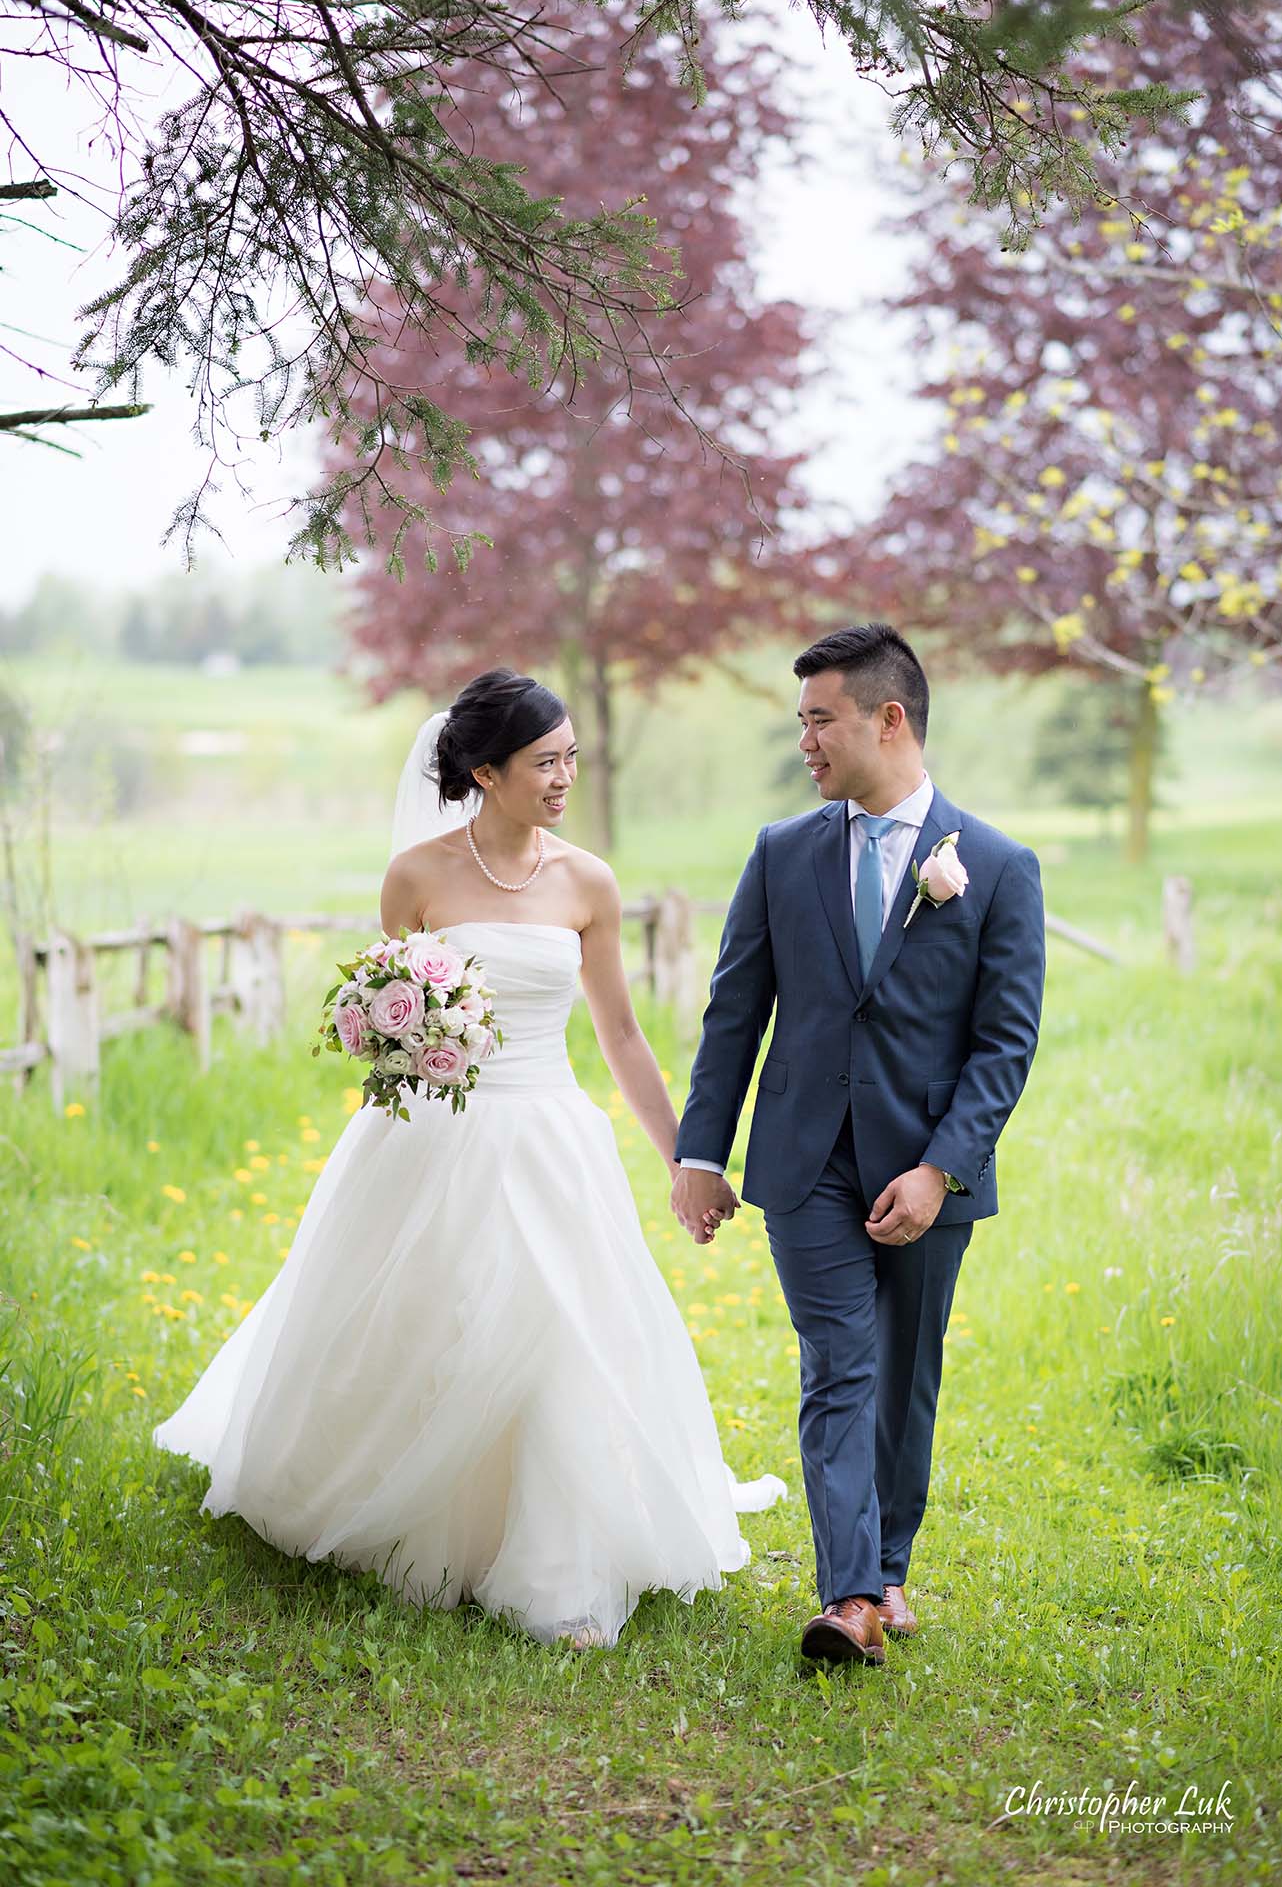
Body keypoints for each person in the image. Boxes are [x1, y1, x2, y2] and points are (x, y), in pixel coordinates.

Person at [153, 667, 784, 1650]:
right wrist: (403, 1047)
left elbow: (619, 1035)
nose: (566, 776)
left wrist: (683, 1158)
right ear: (485, 773)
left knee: (557, 1329)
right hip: (432, 1136)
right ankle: (405, 1503)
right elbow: (386, 1023)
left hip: (548, 1136)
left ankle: (552, 1553)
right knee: (429, 1318)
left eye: (573, 756)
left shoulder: (588, 881)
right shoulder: (415, 876)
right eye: (546, 762)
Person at [671, 624, 1045, 1666]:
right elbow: (732, 1014)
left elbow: (1004, 1046)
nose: (805, 741)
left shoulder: (999, 869)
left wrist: (939, 1169)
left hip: (927, 1161)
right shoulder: (780, 853)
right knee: (840, 1361)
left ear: (888, 720)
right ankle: (847, 1599)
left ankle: (884, 1568)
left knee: (904, 1372)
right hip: (802, 1162)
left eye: (820, 718)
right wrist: (701, 1153)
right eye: (799, 722)